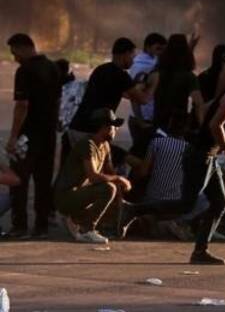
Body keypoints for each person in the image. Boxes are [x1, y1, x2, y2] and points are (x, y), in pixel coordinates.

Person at [118, 63, 225, 265]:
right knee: (186, 204)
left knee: (219, 202)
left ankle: (200, 252)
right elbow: (214, 124)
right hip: (201, 155)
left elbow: (208, 110)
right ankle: (134, 210)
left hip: (208, 154)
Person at [5, 33, 62, 239]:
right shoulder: (53, 68)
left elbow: (22, 105)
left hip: (28, 136)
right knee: (43, 182)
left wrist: (13, 137)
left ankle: (19, 226)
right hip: (48, 135)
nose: (15, 58)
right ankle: (41, 226)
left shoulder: (24, 71)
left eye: (14, 53)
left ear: (23, 48)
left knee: (19, 181)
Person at [65, 38, 153, 162]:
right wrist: (153, 85)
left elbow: (124, 94)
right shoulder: (121, 76)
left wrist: (136, 88)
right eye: (132, 56)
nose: (133, 60)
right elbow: (143, 100)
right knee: (95, 172)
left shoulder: (100, 69)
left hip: (76, 127)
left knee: (80, 171)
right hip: (91, 132)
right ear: (125, 54)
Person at [54, 108, 131, 244]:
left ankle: (76, 219)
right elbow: (94, 176)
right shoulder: (87, 144)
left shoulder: (105, 146)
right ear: (105, 127)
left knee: (114, 190)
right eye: (114, 127)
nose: (116, 130)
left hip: (82, 195)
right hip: (67, 196)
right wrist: (119, 179)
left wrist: (120, 201)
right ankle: (86, 230)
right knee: (108, 188)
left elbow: (110, 173)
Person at [150, 34, 204, 135]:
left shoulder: (157, 73)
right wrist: (203, 126)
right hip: (177, 126)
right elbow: (198, 102)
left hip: (157, 124)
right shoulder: (189, 76)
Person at [128, 33, 167, 153]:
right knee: (142, 157)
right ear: (147, 47)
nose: (160, 52)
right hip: (143, 118)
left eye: (163, 49)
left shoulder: (152, 62)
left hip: (144, 118)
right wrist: (141, 122)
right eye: (158, 48)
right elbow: (134, 95)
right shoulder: (143, 66)